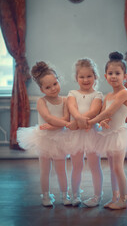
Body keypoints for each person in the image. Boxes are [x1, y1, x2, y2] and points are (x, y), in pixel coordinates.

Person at [88, 52, 127, 210]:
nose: (113, 76)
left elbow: (109, 112)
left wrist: (92, 121)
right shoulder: (108, 95)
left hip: (119, 135)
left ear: (125, 76)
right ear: (105, 76)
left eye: (117, 73)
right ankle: (115, 196)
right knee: (112, 168)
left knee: (118, 167)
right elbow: (104, 114)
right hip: (108, 135)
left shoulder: (124, 93)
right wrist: (102, 121)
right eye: (110, 73)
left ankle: (124, 200)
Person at [17, 61, 71, 207]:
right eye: (48, 87)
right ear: (42, 89)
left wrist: (53, 127)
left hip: (60, 139)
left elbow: (66, 118)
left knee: (62, 170)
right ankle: (46, 196)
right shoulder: (42, 101)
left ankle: (65, 195)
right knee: (45, 170)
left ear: (58, 80)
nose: (53, 89)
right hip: (45, 139)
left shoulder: (66, 100)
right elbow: (47, 118)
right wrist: (59, 124)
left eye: (55, 83)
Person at [66, 58, 103, 207]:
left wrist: (80, 121)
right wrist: (78, 118)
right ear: (76, 78)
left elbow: (94, 111)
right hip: (76, 134)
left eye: (89, 76)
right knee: (76, 165)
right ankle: (75, 194)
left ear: (95, 77)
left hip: (91, 133)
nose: (85, 79)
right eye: (82, 76)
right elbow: (72, 108)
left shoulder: (98, 94)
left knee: (95, 165)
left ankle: (97, 196)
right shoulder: (72, 93)